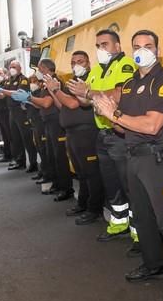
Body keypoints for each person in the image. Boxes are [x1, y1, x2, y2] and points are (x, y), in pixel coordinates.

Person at [93, 29, 163, 301]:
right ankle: (153, 265)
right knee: (143, 217)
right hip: (133, 157)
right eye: (137, 46)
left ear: (158, 51)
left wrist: (115, 114)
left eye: (148, 46)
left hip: (156, 161)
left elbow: (151, 125)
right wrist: (108, 111)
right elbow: (121, 127)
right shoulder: (129, 84)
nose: (142, 50)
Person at [68, 29, 139, 254]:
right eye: (98, 45)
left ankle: (140, 233)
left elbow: (119, 93)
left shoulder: (126, 64)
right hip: (103, 134)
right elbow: (85, 102)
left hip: (120, 134)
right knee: (112, 183)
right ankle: (119, 223)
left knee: (130, 185)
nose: (101, 49)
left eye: (105, 44)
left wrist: (89, 92)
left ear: (117, 46)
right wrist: (79, 92)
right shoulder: (97, 69)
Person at [44, 51, 104, 225]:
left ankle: (94, 209)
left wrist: (55, 89)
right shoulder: (72, 82)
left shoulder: (88, 80)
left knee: (91, 173)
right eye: (73, 62)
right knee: (81, 172)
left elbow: (73, 103)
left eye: (80, 61)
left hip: (86, 132)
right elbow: (61, 104)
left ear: (88, 63)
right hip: (72, 133)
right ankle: (83, 203)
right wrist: (53, 91)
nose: (76, 65)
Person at [30, 59, 73, 202]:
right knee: (52, 155)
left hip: (56, 123)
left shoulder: (54, 81)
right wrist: (29, 100)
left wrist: (30, 98)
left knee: (60, 157)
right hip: (48, 123)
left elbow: (47, 103)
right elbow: (41, 104)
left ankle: (66, 188)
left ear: (46, 68)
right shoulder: (45, 83)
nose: (39, 72)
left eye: (40, 69)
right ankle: (57, 183)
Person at [0, 60, 38, 172]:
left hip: (21, 112)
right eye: (10, 66)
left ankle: (33, 163)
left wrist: (2, 90)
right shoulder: (9, 80)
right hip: (11, 112)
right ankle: (20, 161)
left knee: (27, 139)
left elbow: (18, 94)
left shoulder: (23, 80)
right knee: (16, 139)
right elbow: (2, 96)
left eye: (14, 67)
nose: (12, 68)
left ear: (19, 68)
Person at [0, 68, 14, 163]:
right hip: (0, 112)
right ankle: (7, 154)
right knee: (4, 135)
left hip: (6, 112)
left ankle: (13, 156)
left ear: (5, 74)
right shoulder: (0, 84)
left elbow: (1, 95)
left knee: (10, 135)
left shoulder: (7, 83)